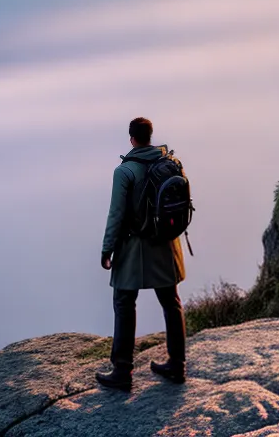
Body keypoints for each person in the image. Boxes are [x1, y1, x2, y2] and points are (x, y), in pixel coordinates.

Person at [96, 117, 186, 392]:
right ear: (150, 136)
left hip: (134, 247)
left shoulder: (125, 171)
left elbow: (116, 215)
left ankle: (122, 371)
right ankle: (177, 365)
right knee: (171, 302)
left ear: (132, 139)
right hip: (167, 243)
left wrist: (107, 249)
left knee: (124, 303)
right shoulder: (172, 162)